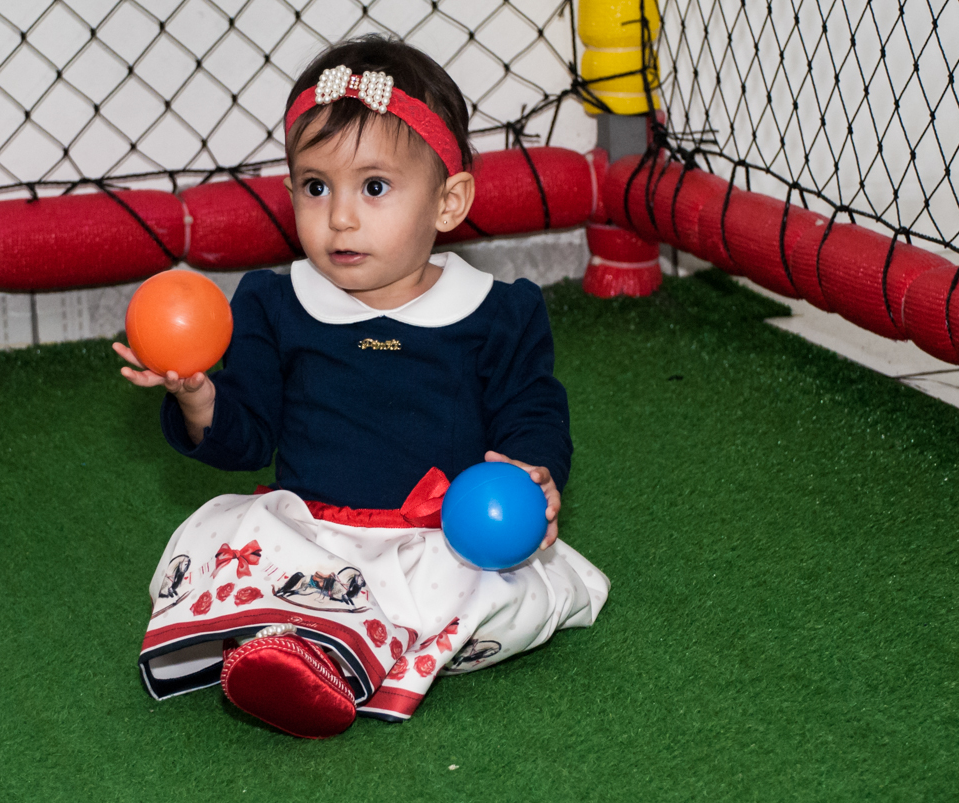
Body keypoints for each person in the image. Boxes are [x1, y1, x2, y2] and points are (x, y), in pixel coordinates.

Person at [115, 35, 609, 739]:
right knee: (244, 549)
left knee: (477, 597)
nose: (340, 216)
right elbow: (247, 433)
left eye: (374, 187)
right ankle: (305, 649)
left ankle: (322, 650)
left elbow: (532, 408)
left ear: (449, 200)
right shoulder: (274, 303)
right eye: (316, 187)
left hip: (443, 538)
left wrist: (531, 469)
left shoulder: (498, 311)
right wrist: (197, 396)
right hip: (314, 535)